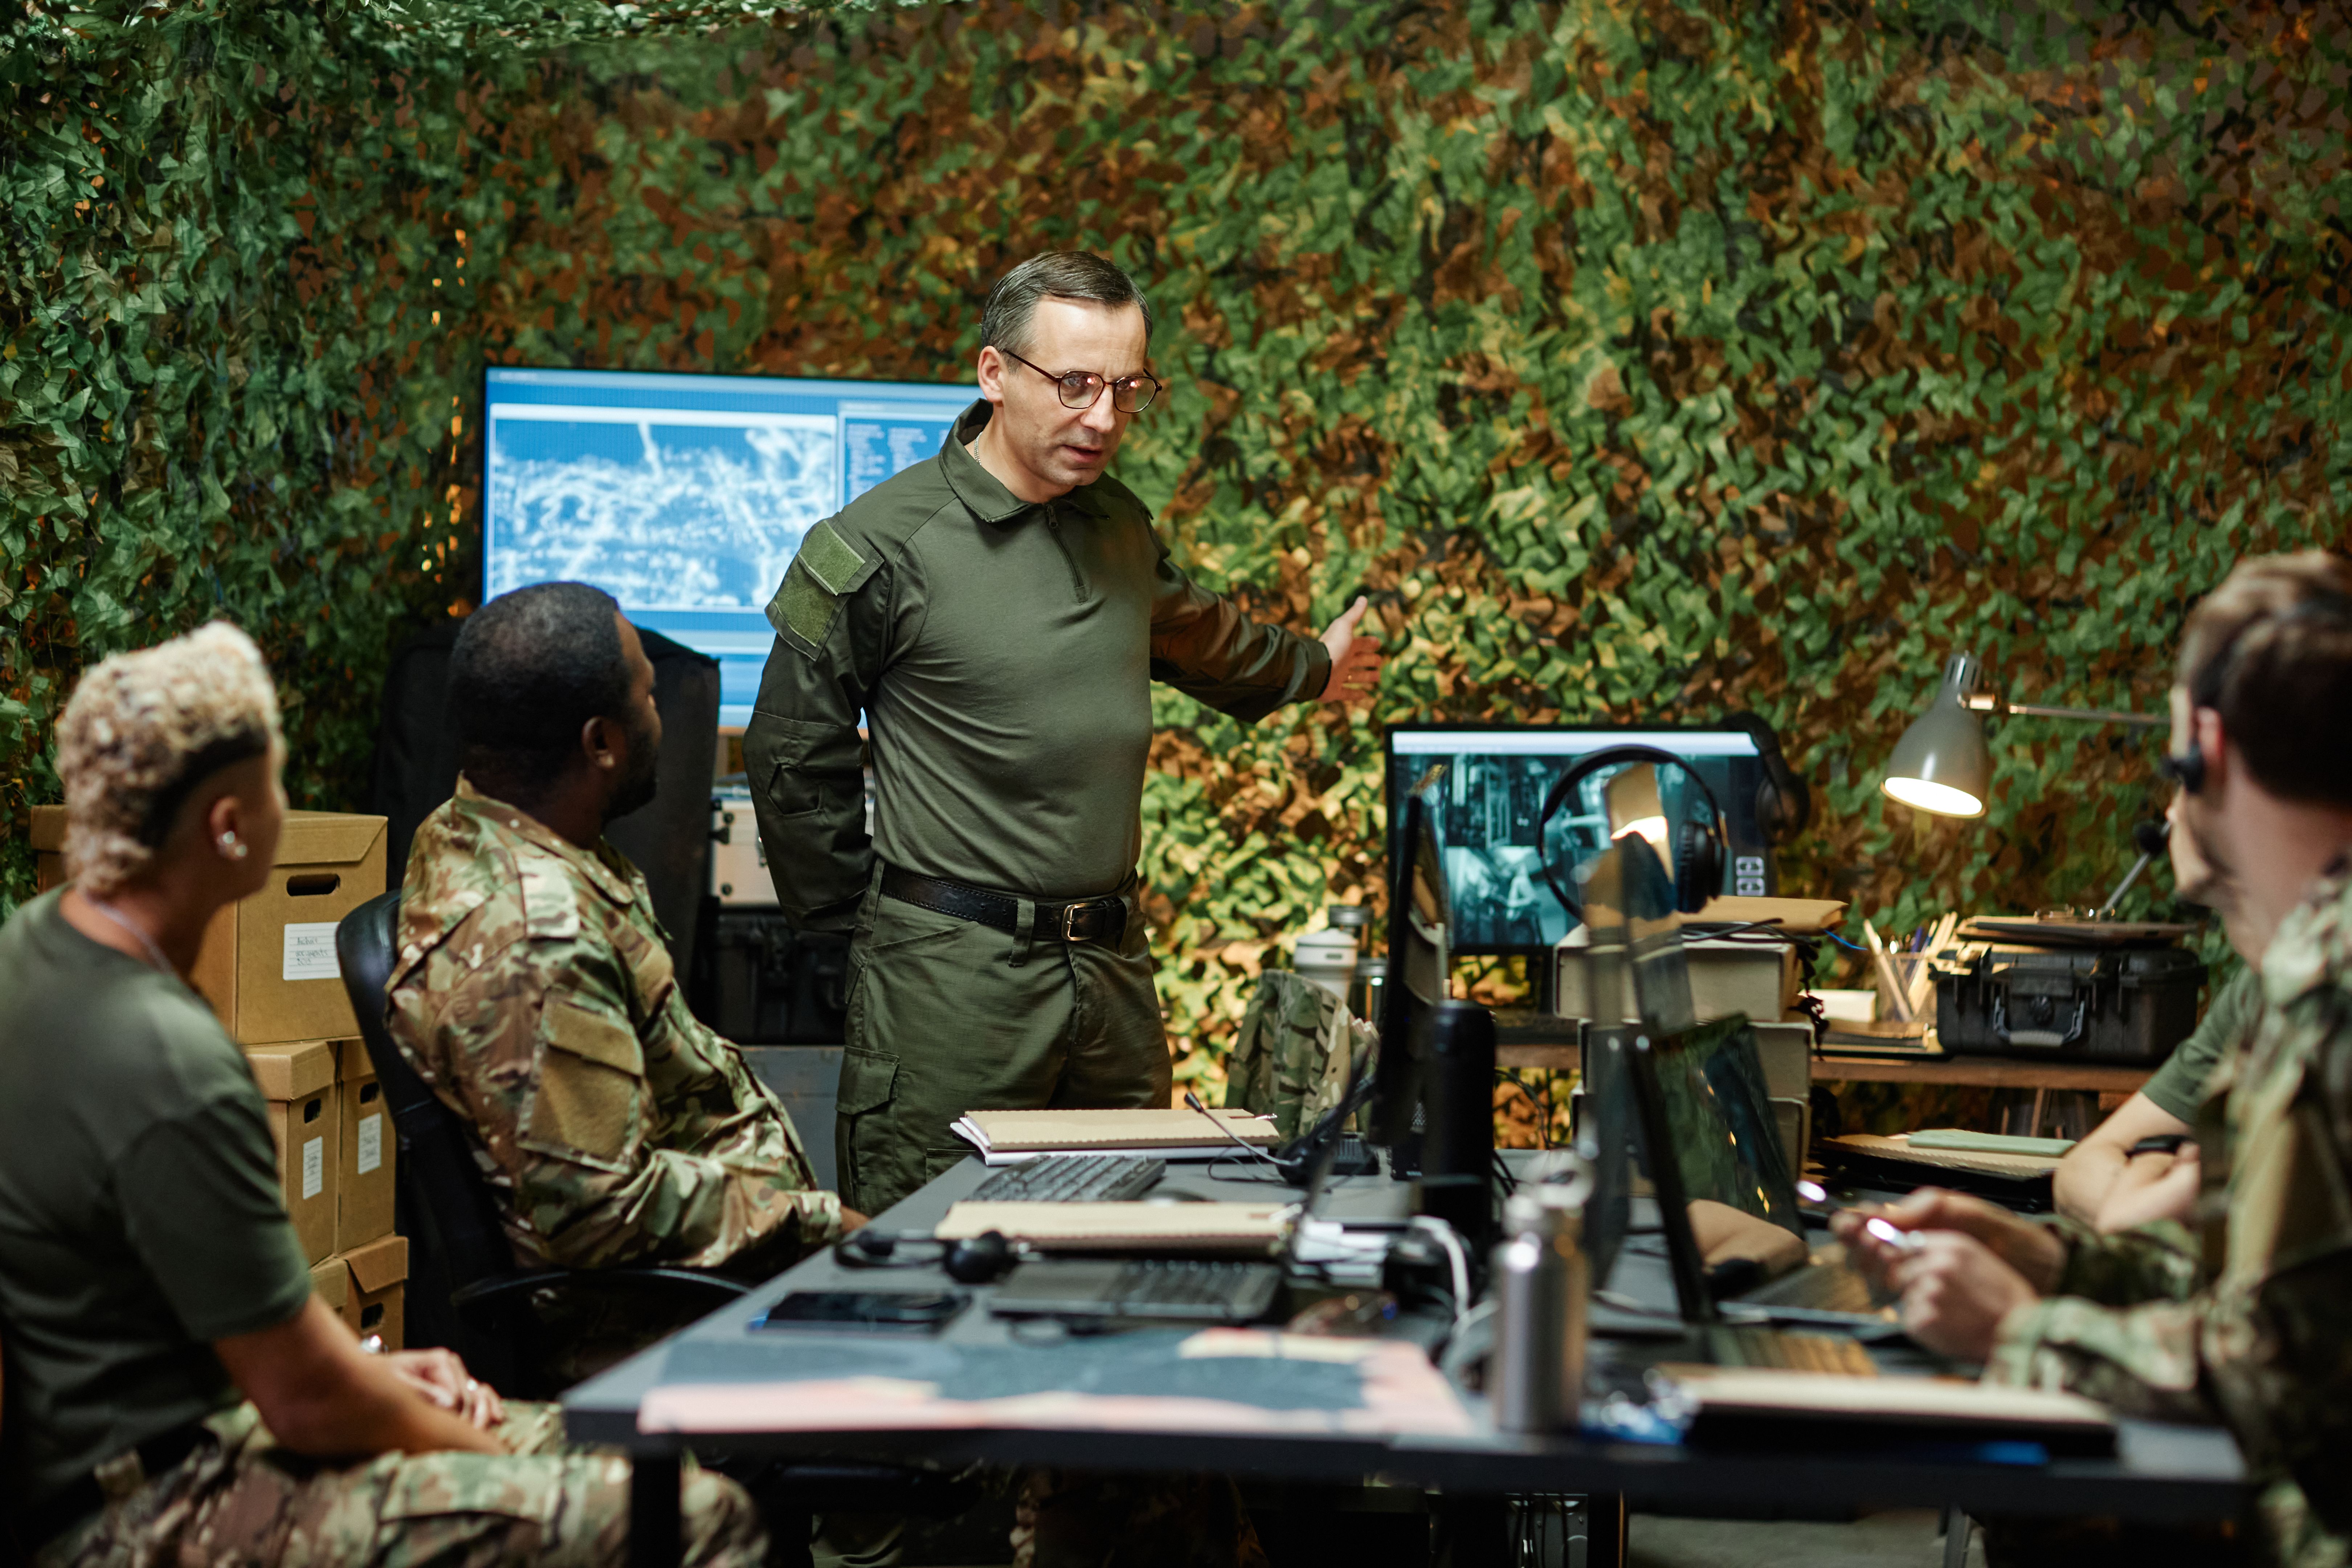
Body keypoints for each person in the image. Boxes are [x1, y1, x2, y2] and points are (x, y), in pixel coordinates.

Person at [0, 623, 764, 1568]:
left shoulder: (32, 956)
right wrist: (500, 1472)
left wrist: (379, 1369)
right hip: (155, 1503)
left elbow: (221, 1318)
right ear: (231, 827)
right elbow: (306, 1404)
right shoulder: (175, 1062)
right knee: (688, 1514)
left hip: (147, 1443)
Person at [746, 250, 1384, 1216]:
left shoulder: (1116, 525)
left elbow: (1195, 630)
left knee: (1124, 1245)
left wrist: (1313, 669)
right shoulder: (880, 544)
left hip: (1111, 983)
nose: (1103, 419)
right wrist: (864, 931)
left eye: (1128, 391)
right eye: (1077, 385)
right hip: (952, 991)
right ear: (994, 375)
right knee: (936, 1257)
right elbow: (792, 752)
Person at [1837, 552, 2352, 1568]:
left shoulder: (2327, 990)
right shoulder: (2313, 957)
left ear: (2203, 743)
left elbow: (2278, 1380)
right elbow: (2288, 1300)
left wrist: (2019, 1329)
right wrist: (2053, 1258)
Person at [385, 584, 861, 1333]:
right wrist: (819, 1227)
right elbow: (602, 1209)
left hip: (720, 1280)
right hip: (663, 1327)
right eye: (649, 695)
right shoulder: (540, 947)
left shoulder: (472, 823)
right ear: (601, 742)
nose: (662, 720)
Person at [2053, 802, 2262, 1232]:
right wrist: (2148, 1196)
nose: (2172, 810)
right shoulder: (2254, 988)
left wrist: (2148, 1193)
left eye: (2185, 777)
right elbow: (2078, 1170)